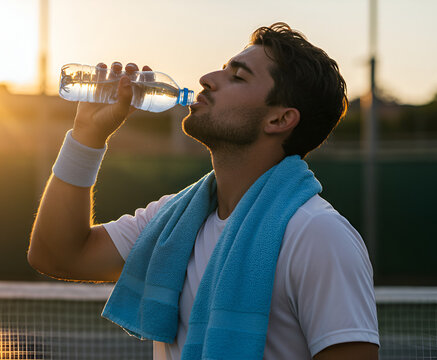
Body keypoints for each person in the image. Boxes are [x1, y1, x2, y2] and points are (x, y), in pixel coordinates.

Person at [28, 22, 380, 360]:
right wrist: (86, 138)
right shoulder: (172, 224)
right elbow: (56, 255)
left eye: (237, 76)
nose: (207, 79)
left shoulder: (318, 235)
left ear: (279, 120)